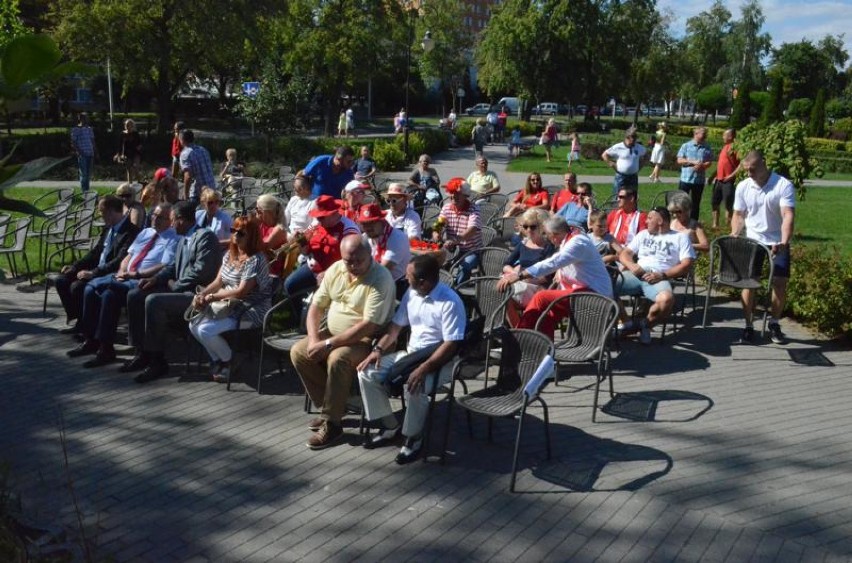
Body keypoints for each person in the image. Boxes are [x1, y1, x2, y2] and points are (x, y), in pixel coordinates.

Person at [357, 254, 466, 464]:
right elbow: (396, 327)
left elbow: (451, 344)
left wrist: (424, 368)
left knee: (414, 384)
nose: (405, 279)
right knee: (366, 373)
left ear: (423, 281)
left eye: (409, 276)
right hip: (410, 355)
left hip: (440, 360)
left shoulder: (450, 302)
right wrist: (378, 349)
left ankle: (414, 437)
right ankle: (390, 426)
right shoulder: (412, 293)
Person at [291, 237, 395, 450]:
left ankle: (333, 423)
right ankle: (334, 405)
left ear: (371, 256)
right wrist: (313, 340)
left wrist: (328, 344)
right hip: (333, 332)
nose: (354, 266)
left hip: (368, 340)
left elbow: (368, 326)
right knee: (299, 352)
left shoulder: (380, 278)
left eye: (360, 260)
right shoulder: (336, 269)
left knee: (339, 359)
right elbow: (316, 307)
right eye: (349, 261)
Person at [67, 203, 179, 367]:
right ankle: (98, 344)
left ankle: (111, 349)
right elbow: (129, 255)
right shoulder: (146, 232)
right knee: (104, 294)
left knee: (95, 287)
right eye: (153, 215)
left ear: (170, 220)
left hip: (143, 280)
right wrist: (122, 271)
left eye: (161, 217)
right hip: (125, 276)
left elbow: (163, 265)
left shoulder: (173, 237)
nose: (155, 219)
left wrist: (134, 274)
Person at [124, 201, 223, 382]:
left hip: (196, 295)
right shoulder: (184, 238)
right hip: (178, 289)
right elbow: (171, 267)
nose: (170, 224)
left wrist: (175, 285)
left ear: (180, 220)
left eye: (172, 220)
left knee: (154, 301)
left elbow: (201, 271)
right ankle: (141, 352)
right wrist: (155, 279)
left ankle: (158, 361)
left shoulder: (204, 237)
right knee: (135, 295)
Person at [497, 215, 613, 339]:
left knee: (541, 298)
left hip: (596, 296)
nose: (547, 238)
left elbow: (553, 262)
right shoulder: (570, 238)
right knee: (548, 315)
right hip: (582, 292)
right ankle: (543, 351)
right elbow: (561, 262)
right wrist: (560, 270)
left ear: (554, 234)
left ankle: (519, 339)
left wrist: (519, 276)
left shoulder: (578, 242)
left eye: (547, 234)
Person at [189, 216, 273, 382]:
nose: (235, 235)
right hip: (227, 304)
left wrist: (212, 297)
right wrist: (202, 294)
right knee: (193, 324)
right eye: (233, 231)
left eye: (241, 233)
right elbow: (218, 281)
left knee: (206, 330)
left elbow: (241, 292)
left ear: (252, 237)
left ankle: (229, 361)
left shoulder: (255, 260)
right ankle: (219, 360)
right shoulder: (229, 254)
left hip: (251, 309)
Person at [731, 150, 796, 345]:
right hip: (753, 240)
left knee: (780, 281)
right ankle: (748, 325)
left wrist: (784, 241)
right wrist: (735, 232)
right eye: (746, 170)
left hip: (777, 239)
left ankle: (774, 323)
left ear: (763, 164)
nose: (749, 174)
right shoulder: (743, 186)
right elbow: (739, 214)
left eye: (752, 169)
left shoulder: (782, 185)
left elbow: (788, 215)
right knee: (749, 283)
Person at [55, 195, 140, 333]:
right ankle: (78, 319)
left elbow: (118, 261)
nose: (100, 215)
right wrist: (75, 266)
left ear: (112, 211)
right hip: (97, 267)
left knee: (77, 286)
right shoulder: (109, 228)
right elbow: (96, 252)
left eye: (102, 212)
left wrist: (93, 273)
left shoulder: (130, 231)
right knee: (62, 280)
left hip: (109, 272)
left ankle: (86, 325)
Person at [617, 207, 696, 344]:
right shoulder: (643, 234)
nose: (646, 221)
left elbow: (686, 265)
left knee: (667, 300)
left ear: (660, 221)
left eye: (649, 218)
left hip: (659, 277)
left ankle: (645, 325)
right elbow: (624, 254)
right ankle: (627, 322)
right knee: (603, 285)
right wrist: (632, 265)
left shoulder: (680, 238)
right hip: (636, 273)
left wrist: (662, 275)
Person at [283, 195, 360, 300]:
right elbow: (306, 251)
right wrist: (301, 241)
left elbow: (353, 262)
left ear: (333, 213)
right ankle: (299, 312)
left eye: (321, 216)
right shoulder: (317, 224)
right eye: (317, 216)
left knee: (320, 303)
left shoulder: (349, 230)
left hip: (337, 274)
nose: (318, 219)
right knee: (290, 285)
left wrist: (328, 273)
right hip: (314, 267)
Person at [502, 208, 555, 316]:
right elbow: (506, 264)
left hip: (536, 288)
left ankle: (518, 329)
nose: (529, 230)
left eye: (533, 226)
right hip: (519, 283)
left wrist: (521, 276)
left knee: (503, 296)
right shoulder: (524, 243)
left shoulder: (549, 247)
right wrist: (515, 274)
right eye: (526, 226)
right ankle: (518, 328)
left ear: (542, 227)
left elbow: (546, 277)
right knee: (500, 292)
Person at [433, 178, 482, 285]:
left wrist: (455, 240)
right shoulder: (446, 208)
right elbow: (438, 224)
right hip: (452, 249)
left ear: (465, 195)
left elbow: (472, 230)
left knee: (465, 264)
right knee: (434, 261)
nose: (453, 196)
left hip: (471, 250)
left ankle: (457, 288)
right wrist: (436, 233)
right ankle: (440, 285)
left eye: (457, 193)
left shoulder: (474, 209)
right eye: (451, 193)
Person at [357, 202, 411, 299]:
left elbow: (381, 270)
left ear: (381, 221)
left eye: (372, 222)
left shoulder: (397, 238)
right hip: (373, 281)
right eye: (364, 224)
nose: (368, 228)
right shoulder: (365, 237)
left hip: (397, 287)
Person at [676, 126, 713, 221]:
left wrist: (703, 166)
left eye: (705, 134)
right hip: (686, 179)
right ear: (695, 134)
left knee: (696, 204)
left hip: (699, 181)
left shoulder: (707, 147)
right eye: (703, 134)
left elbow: (709, 162)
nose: (705, 136)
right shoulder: (686, 146)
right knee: (681, 202)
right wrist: (692, 162)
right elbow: (679, 160)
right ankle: (680, 220)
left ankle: (693, 223)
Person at [602, 128, 646, 196]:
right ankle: (615, 206)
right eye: (633, 138)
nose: (634, 140)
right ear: (627, 137)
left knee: (632, 196)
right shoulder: (618, 147)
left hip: (633, 176)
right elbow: (604, 155)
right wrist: (611, 163)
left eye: (635, 138)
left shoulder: (639, 147)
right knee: (617, 195)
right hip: (621, 177)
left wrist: (640, 165)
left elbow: (645, 155)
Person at [711, 128, 741, 229]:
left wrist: (731, 175)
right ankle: (715, 225)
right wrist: (712, 176)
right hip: (719, 180)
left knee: (728, 204)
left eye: (724, 135)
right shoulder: (725, 147)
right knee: (714, 203)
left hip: (728, 181)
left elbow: (742, 163)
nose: (723, 137)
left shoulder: (735, 148)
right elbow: (721, 164)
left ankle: (728, 226)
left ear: (730, 136)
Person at [255, 194, 288, 279]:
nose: (256, 213)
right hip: (260, 264)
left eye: (258, 210)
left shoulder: (279, 229)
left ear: (267, 211)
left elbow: (263, 247)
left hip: (270, 270)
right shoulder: (263, 224)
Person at [178, 129, 216, 205]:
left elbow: (188, 176)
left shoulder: (185, 154)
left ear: (182, 140)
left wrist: (186, 195)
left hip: (198, 192)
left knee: (192, 214)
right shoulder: (203, 149)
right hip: (211, 188)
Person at [70, 113, 96, 193]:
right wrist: (79, 151)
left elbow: (92, 140)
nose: (86, 120)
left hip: (90, 153)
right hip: (82, 154)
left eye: (87, 118)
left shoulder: (89, 129)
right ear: (80, 119)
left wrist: (94, 150)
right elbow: (73, 142)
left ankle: (87, 190)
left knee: (88, 174)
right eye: (84, 118)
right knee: (83, 173)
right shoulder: (76, 129)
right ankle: (84, 190)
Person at [116, 118, 143, 183]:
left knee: (136, 167)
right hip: (127, 154)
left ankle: (140, 182)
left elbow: (140, 143)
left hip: (135, 153)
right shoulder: (122, 134)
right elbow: (120, 145)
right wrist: (119, 155)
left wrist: (139, 147)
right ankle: (130, 184)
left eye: (129, 125)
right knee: (129, 170)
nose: (128, 126)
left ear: (132, 126)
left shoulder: (136, 134)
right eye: (127, 125)